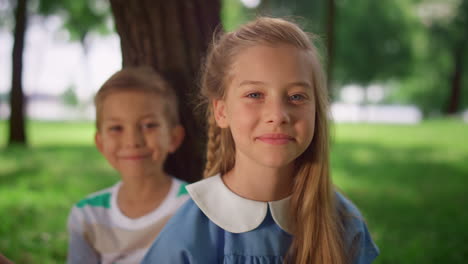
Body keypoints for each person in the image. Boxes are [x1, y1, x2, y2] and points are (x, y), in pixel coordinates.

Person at [142, 17, 379, 264]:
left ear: (316, 111)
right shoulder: (190, 232)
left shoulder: (343, 223)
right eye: (255, 94)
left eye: (297, 96)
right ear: (221, 111)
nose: (277, 115)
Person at [66, 67, 188, 264]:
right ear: (101, 144)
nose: (132, 141)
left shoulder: (194, 208)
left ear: (174, 138)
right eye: (116, 128)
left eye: (149, 125)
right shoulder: (87, 215)